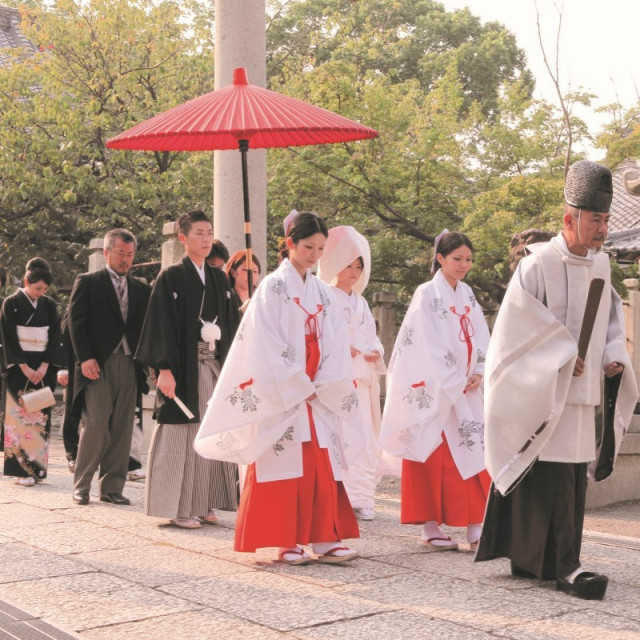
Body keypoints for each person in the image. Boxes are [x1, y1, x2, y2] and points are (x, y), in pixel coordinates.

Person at [475, 160, 638, 601]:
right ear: (570, 218)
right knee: (540, 473)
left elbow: (609, 324)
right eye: (596, 220)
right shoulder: (536, 266)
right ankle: (555, 564)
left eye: (606, 220)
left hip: (580, 396)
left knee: (568, 478)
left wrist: (611, 356)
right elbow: (517, 329)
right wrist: (563, 356)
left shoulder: (602, 266)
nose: (603, 229)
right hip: (541, 389)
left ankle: (557, 560)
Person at [195, 211, 361, 565]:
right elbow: (264, 342)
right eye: (308, 247)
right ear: (290, 245)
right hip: (286, 389)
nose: (315, 255)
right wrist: (298, 383)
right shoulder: (271, 286)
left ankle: (325, 536)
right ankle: (286, 540)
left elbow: (334, 339)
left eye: (320, 248)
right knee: (284, 460)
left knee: (320, 460)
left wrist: (324, 382)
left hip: (319, 386)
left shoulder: (322, 291)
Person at [381, 231, 491, 551]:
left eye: (468, 259)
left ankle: (476, 526)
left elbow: (481, 336)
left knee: (473, 450)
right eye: (457, 259)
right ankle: (430, 526)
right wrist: (454, 378)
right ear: (439, 259)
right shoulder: (426, 293)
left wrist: (479, 371)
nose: (463, 265)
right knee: (434, 455)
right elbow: (424, 341)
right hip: (436, 389)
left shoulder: (468, 294)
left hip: (466, 387)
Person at [136, 210, 240, 529]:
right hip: (183, 368)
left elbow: (234, 324)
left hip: (213, 365)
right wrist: (164, 369)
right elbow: (161, 324)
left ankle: (205, 500)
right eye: (199, 233)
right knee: (181, 433)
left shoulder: (219, 278)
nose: (206, 238)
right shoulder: (171, 278)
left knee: (212, 432)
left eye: (209, 232)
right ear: (183, 238)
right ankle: (178, 505)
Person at [68, 228, 151, 506]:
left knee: (123, 426)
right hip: (97, 364)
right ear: (106, 253)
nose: (125, 259)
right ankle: (82, 485)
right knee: (96, 422)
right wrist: (85, 358)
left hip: (129, 362)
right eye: (120, 253)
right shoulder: (88, 282)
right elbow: (76, 325)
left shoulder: (141, 288)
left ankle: (113, 488)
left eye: (130, 254)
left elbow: (145, 328)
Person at [317, 225, 386, 521]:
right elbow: (322, 336)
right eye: (348, 265)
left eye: (359, 266)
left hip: (363, 378)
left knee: (366, 437)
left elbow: (372, 335)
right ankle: (339, 495)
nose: (354, 271)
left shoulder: (361, 301)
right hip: (340, 380)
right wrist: (344, 350)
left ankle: (362, 497)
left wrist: (375, 351)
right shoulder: (324, 296)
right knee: (340, 436)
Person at [2, 258, 64, 485]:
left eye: (45, 289)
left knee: (39, 417)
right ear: (27, 281)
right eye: (38, 288)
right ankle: (20, 471)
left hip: (42, 366)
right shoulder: (11, 303)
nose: (41, 293)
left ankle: (36, 469)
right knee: (19, 417)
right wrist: (24, 366)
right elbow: (8, 337)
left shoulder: (49, 305)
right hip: (20, 367)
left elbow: (56, 337)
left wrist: (45, 365)